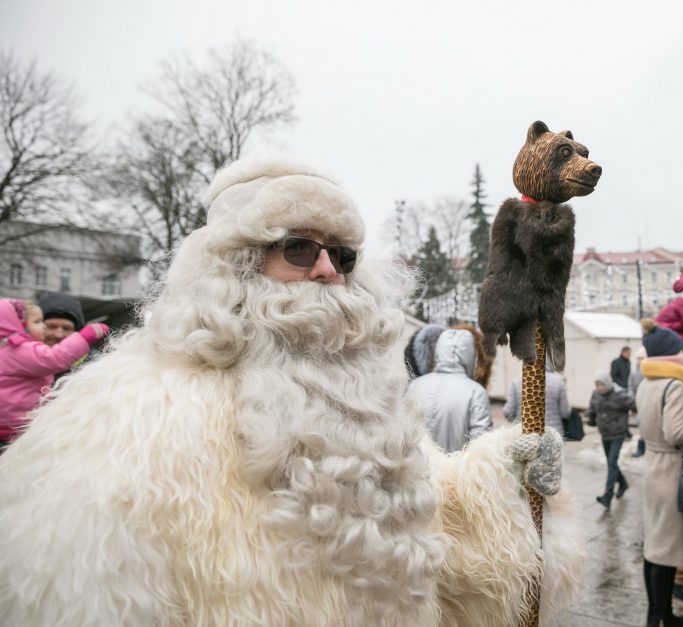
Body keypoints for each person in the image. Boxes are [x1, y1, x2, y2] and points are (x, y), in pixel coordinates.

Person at [0, 156, 583, 625]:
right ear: (236, 266)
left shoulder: (363, 405)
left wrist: (500, 482)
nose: (329, 271)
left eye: (343, 254)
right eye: (299, 248)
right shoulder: (126, 417)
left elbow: (432, 545)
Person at [635, 319, 683, 627]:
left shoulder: (647, 382)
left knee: (655, 545)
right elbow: (677, 433)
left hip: (652, 466)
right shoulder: (674, 384)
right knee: (665, 549)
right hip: (670, 469)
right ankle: (661, 616)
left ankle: (657, 613)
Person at [0, 299, 107, 447]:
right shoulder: (21, 350)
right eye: (49, 325)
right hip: (20, 428)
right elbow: (55, 358)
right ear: (20, 326)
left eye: (66, 328)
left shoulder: (95, 364)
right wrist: (84, 337)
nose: (58, 334)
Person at [406, 328, 493, 452]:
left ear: (438, 351)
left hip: (418, 469)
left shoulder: (415, 386)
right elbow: (482, 446)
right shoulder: (475, 392)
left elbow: (403, 433)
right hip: (456, 470)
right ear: (470, 356)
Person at [587, 369, 632, 509]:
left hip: (618, 434)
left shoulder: (619, 395)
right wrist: (591, 419)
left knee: (612, 462)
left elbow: (635, 404)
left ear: (608, 383)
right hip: (605, 433)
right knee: (611, 463)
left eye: (602, 384)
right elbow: (592, 408)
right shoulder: (595, 394)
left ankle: (607, 496)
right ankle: (623, 484)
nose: (600, 387)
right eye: (598, 385)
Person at [503, 362, 571, 436]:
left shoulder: (517, 381)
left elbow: (508, 411)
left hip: (526, 435)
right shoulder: (558, 381)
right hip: (554, 435)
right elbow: (565, 413)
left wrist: (518, 422)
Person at [629, 347, 648, 457]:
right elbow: (630, 386)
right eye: (638, 358)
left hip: (649, 402)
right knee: (641, 426)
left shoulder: (649, 372)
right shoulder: (634, 373)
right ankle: (641, 448)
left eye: (642, 358)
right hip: (638, 403)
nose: (640, 360)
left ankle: (647, 447)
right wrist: (632, 401)